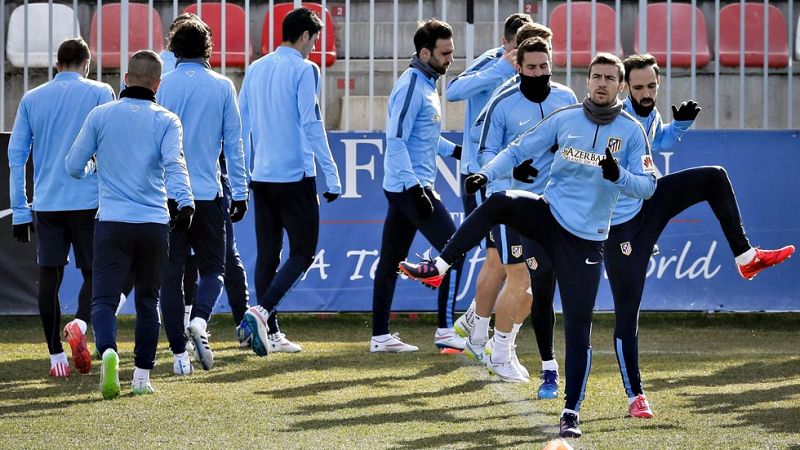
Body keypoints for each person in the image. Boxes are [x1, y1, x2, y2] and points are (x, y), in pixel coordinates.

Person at [399, 53, 657, 438]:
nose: (601, 83)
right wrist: (486, 172)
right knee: (501, 202)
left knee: (578, 328)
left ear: (621, 86)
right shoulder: (566, 118)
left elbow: (649, 186)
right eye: (596, 76)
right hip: (548, 218)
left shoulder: (632, 132)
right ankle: (439, 267)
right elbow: (519, 149)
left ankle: (571, 412)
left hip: (586, 241)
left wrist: (619, 175)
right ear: (587, 81)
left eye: (609, 78)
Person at [601, 53, 795, 418]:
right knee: (628, 312)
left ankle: (746, 257)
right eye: (639, 87)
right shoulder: (615, 119)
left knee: (713, 177)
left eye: (651, 86)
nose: (646, 93)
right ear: (625, 87)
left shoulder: (647, 111)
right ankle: (635, 396)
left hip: (650, 201)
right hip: (621, 224)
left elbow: (660, 141)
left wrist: (681, 125)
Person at [65, 50, 194, 399]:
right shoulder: (167, 119)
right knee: (148, 301)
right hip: (154, 223)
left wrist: (95, 165)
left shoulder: (100, 115)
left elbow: (73, 166)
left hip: (112, 223)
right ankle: (141, 379)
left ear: (124, 78)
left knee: (104, 301)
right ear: (158, 84)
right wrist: (186, 202)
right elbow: (174, 164)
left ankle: (107, 351)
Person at [470, 37, 577, 388]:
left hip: (552, 207)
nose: (538, 73)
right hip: (510, 204)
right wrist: (513, 171)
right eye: (531, 67)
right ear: (518, 67)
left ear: (552, 65)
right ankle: (497, 351)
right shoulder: (502, 103)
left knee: (538, 288)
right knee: (519, 279)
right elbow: (483, 154)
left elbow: (577, 143)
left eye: (543, 67)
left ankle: (498, 345)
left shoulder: (566, 99)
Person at [8, 37, 115, 378]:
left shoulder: (32, 97)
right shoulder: (101, 93)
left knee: (48, 277)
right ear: (87, 63)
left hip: (47, 202)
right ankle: (81, 326)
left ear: (56, 65)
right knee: (95, 272)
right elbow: (110, 150)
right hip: (89, 202)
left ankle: (56, 356)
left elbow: (16, 157)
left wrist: (20, 210)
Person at [240, 7, 341, 357]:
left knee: (268, 253)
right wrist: (332, 172)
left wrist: (242, 175)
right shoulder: (304, 68)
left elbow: (243, 125)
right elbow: (311, 123)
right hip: (295, 175)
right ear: (304, 37)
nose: (314, 46)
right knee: (302, 251)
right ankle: (262, 312)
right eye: (314, 39)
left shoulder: (255, 69)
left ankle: (271, 330)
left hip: (261, 174)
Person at [366, 19, 465, 353]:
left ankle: (380, 337)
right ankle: (445, 330)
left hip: (408, 185)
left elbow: (427, 138)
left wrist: (456, 152)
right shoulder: (411, 85)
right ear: (425, 53)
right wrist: (416, 188)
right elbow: (395, 139)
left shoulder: (427, 83)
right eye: (445, 52)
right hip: (410, 186)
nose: (451, 58)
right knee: (455, 250)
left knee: (390, 261)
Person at [156, 18, 249, 373]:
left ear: (174, 48)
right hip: (208, 192)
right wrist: (240, 191)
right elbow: (234, 144)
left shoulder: (162, 85)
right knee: (214, 270)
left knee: (171, 273)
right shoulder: (223, 86)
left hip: (167, 193)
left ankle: (180, 356)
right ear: (208, 48)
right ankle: (200, 320)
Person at [445, 14, 532, 342]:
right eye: (518, 49)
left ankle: (474, 324)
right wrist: (501, 68)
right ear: (506, 43)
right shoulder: (493, 62)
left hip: (513, 175)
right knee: (500, 256)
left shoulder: (531, 71)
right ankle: (478, 333)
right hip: (481, 175)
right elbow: (454, 90)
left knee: (508, 257)